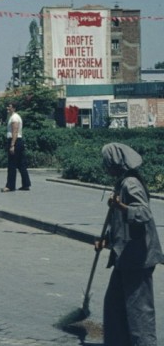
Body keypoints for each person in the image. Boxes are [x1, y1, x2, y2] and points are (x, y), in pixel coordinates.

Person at [95, 143, 164, 345]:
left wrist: (120, 206)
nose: (104, 166)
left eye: (106, 162)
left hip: (137, 258)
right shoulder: (122, 183)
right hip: (125, 257)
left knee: (139, 311)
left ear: (115, 163)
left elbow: (143, 213)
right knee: (114, 306)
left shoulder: (130, 184)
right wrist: (106, 240)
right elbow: (120, 225)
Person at [2, 103, 31, 192]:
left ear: (14, 108)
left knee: (12, 164)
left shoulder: (14, 118)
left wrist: (12, 145)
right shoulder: (15, 117)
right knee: (21, 164)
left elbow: (15, 131)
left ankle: (10, 186)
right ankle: (26, 184)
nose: (7, 108)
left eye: (9, 107)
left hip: (15, 141)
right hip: (18, 141)